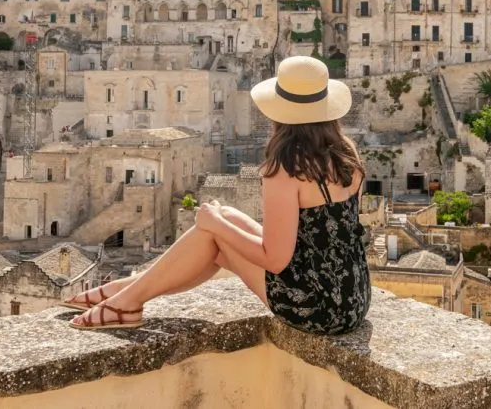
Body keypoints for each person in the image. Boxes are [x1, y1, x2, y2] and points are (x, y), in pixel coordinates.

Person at [66, 56, 371, 335]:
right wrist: (220, 221)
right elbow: (327, 238)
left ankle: (126, 303)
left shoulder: (286, 167)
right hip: (352, 296)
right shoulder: (346, 153)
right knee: (226, 218)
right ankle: (126, 289)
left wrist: (213, 225)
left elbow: (276, 260)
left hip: (316, 308)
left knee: (212, 235)